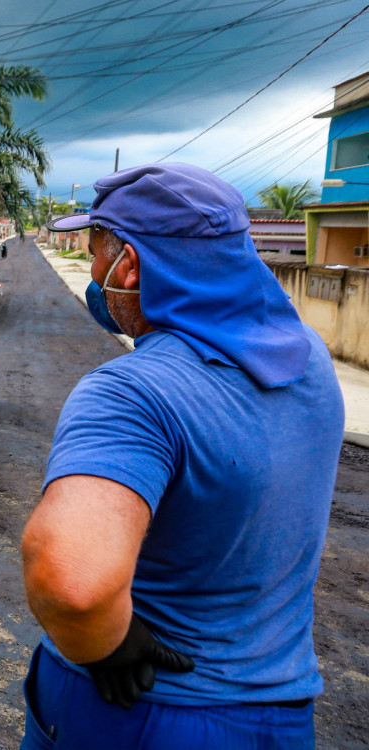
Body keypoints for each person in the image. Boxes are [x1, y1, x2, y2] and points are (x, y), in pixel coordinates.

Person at [20, 163, 343, 749]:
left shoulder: (132, 393)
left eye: (94, 255)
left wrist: (108, 645)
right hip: (280, 713)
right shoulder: (310, 361)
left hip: (142, 711)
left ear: (130, 266)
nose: (93, 274)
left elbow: (69, 582)